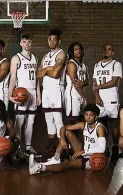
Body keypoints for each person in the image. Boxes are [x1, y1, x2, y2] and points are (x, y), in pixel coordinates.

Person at [29, 104, 107, 175]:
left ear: (96, 117)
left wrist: (82, 152)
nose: (88, 117)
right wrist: (62, 140)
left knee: (67, 163)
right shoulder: (83, 125)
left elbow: (101, 149)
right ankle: (56, 158)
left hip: (95, 158)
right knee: (66, 132)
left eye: (91, 115)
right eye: (86, 114)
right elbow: (63, 128)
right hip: (84, 152)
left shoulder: (99, 128)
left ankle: (38, 168)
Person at [36, 29, 68, 161]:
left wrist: (45, 70)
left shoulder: (62, 54)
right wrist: (49, 68)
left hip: (56, 89)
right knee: (48, 119)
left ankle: (62, 148)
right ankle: (51, 146)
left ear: (59, 41)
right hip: (46, 90)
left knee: (58, 119)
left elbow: (56, 75)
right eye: (50, 39)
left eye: (55, 39)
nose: (52, 41)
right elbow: (37, 75)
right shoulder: (45, 56)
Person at [8, 33, 41, 156]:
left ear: (31, 43)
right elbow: (12, 78)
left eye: (29, 41)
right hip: (21, 92)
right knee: (19, 122)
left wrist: (38, 95)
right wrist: (10, 95)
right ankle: (16, 149)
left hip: (32, 92)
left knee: (31, 122)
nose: (27, 44)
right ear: (21, 43)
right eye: (24, 41)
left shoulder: (35, 58)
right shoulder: (16, 58)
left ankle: (28, 147)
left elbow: (37, 78)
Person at [92, 43, 123, 161]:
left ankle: (115, 148)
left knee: (114, 125)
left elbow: (113, 82)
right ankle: (103, 149)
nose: (107, 51)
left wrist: (98, 87)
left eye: (109, 49)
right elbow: (94, 84)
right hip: (100, 100)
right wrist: (97, 96)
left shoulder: (116, 64)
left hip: (112, 99)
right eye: (105, 49)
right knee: (101, 126)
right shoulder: (97, 65)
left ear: (112, 52)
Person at [65, 42, 89, 124]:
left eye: (79, 49)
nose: (78, 51)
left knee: (80, 121)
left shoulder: (83, 64)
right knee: (73, 122)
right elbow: (75, 83)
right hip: (73, 95)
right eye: (75, 49)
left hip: (80, 93)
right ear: (72, 52)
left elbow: (88, 81)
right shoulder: (71, 64)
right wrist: (84, 97)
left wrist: (82, 83)